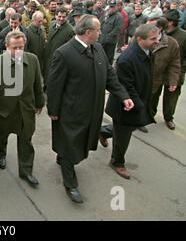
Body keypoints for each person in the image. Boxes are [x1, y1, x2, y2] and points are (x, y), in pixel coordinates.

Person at [46, 15, 132, 203]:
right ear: (88, 32)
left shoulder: (98, 49)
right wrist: (53, 110)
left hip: (92, 109)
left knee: (80, 140)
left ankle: (63, 158)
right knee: (70, 143)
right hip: (71, 111)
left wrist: (123, 96)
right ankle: (70, 183)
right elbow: (54, 85)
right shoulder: (64, 53)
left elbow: (110, 76)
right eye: (98, 29)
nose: (101, 32)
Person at [0, 31, 44, 188]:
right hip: (4, 111)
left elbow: (38, 83)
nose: (18, 51)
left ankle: (26, 171)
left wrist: (40, 102)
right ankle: (0, 154)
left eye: (21, 47)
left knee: (26, 141)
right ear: (6, 47)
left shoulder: (33, 60)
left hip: (26, 111)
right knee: (1, 136)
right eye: (14, 48)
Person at [105, 24, 160, 180]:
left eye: (157, 38)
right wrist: (140, 106)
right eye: (153, 39)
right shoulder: (127, 59)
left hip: (137, 101)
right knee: (123, 137)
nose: (157, 41)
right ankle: (117, 162)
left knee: (125, 130)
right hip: (126, 106)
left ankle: (102, 132)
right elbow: (126, 87)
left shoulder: (146, 51)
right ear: (139, 39)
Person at [159, 9, 186, 130]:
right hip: (158, 71)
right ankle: (149, 115)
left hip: (175, 73)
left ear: (170, 22)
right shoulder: (159, 32)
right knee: (152, 95)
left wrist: (180, 71)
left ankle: (168, 118)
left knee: (171, 98)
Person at [148, 17, 181, 128]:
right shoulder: (140, 37)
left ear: (160, 28)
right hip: (142, 78)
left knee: (158, 99)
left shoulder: (172, 44)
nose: (146, 27)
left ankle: (166, 118)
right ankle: (143, 118)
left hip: (158, 78)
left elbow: (174, 64)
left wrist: (173, 80)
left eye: (150, 25)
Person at [44, 7, 74, 85]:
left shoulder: (70, 30)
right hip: (48, 57)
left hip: (59, 60)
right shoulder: (52, 24)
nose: (61, 19)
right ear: (56, 16)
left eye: (63, 17)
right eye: (59, 16)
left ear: (67, 17)